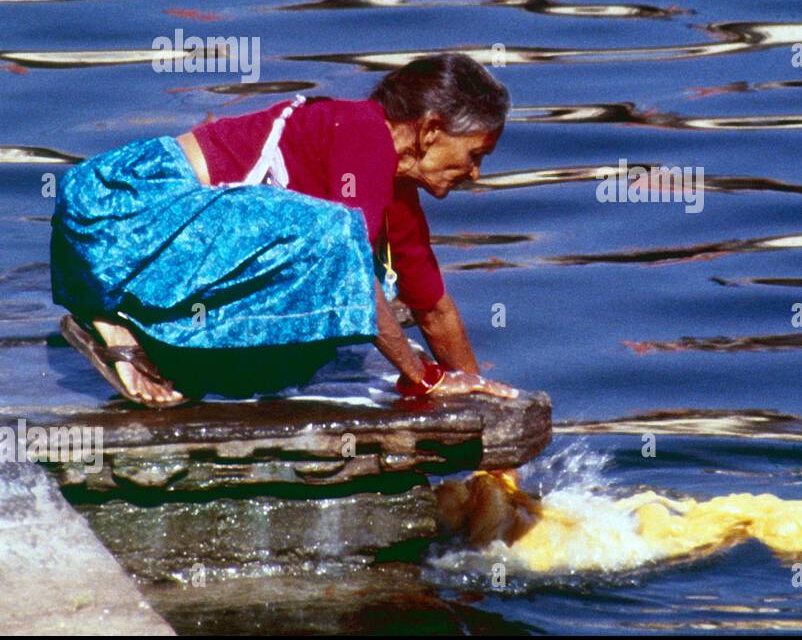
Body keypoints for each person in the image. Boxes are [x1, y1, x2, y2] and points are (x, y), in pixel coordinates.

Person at [50, 52, 520, 408]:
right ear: (432, 130)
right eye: (475, 154)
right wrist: (424, 379)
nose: (475, 174)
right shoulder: (363, 132)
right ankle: (119, 321)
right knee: (336, 242)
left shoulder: (395, 184)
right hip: (117, 213)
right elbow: (350, 269)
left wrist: (479, 391)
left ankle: (149, 330)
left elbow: (433, 306)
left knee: (308, 343)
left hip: (158, 246)